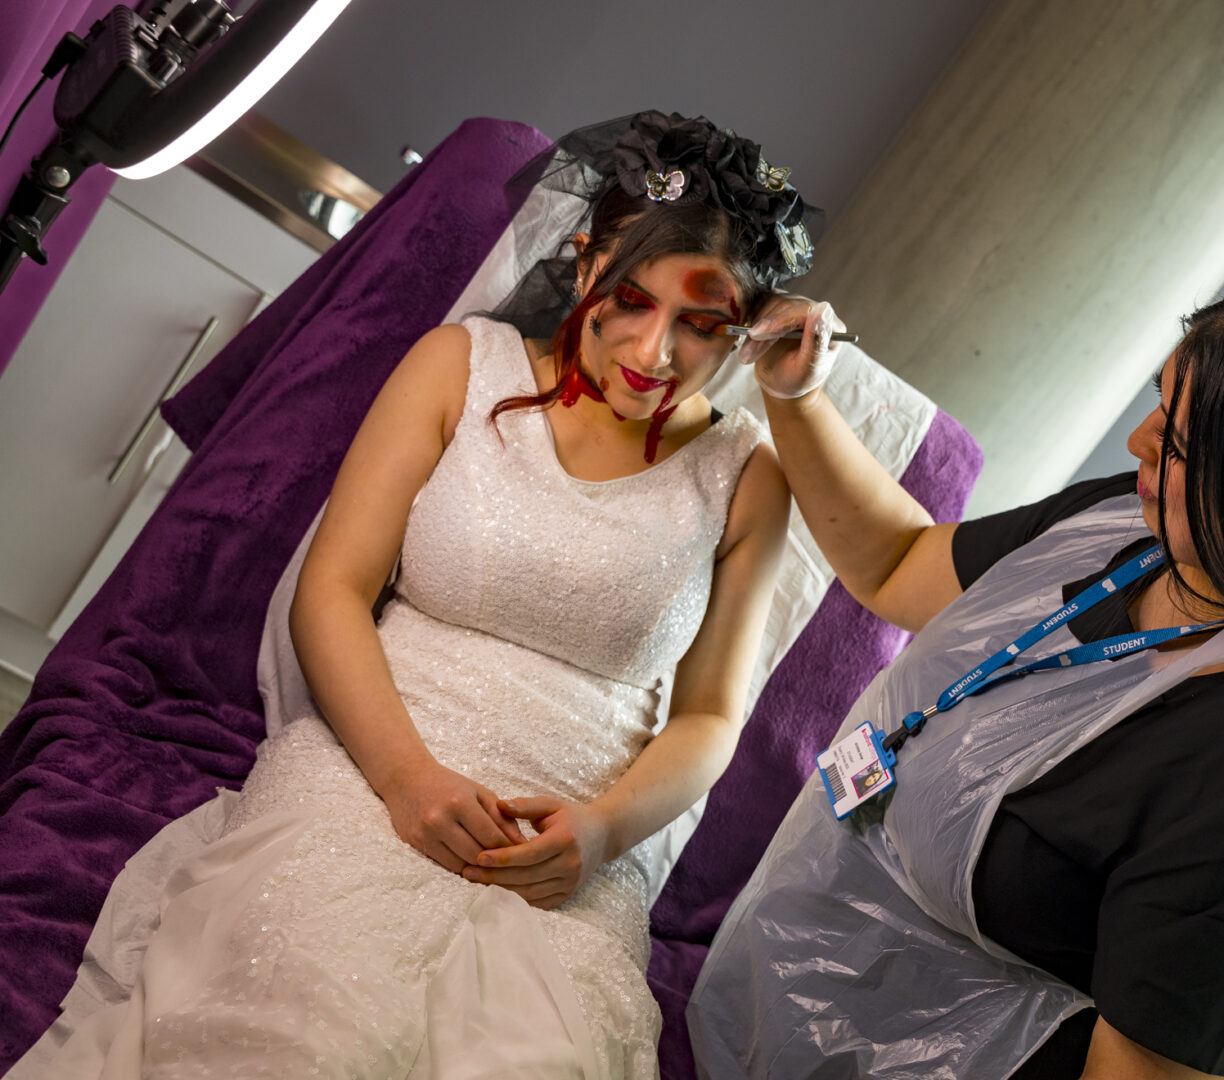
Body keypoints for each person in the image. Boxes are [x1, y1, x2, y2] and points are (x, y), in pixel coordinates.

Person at [23, 110, 815, 1080]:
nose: (653, 354)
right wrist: (406, 781)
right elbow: (333, 589)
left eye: (701, 324)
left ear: (744, 330)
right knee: (310, 1034)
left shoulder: (748, 477)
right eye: (631, 301)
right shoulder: (457, 366)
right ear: (583, 270)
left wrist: (602, 832)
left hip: (565, 852)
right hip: (375, 765)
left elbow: (709, 717)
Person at [692, 280, 1224, 1079]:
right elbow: (898, 563)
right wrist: (799, 397)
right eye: (1160, 403)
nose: (1137, 441)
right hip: (769, 1001)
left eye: (1179, 444)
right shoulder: (1146, 526)